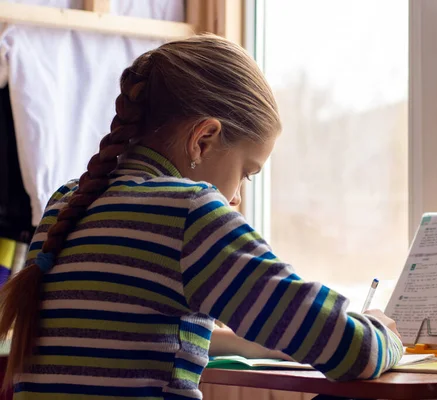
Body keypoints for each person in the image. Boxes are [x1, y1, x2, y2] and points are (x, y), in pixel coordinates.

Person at [0, 34, 402, 399]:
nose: (238, 197)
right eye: (246, 172)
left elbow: (123, 331)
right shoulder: (188, 210)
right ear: (203, 139)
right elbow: (354, 351)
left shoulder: (66, 204)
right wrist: (383, 331)